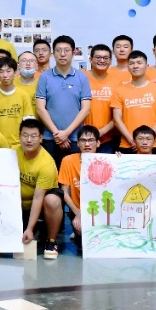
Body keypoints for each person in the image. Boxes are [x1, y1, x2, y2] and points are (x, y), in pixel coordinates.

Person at [35, 35, 92, 162]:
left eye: (66, 50)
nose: (62, 54)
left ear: (73, 53)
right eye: (58, 50)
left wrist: (66, 133)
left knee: (74, 173)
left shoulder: (82, 77)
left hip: (76, 139)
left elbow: (86, 109)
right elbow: (40, 108)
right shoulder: (45, 77)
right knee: (51, 173)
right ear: (53, 54)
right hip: (50, 138)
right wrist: (57, 134)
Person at [16, 119, 64, 259]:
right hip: (21, 205)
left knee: (52, 200)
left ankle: (51, 241)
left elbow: (38, 198)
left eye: (33, 136)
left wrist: (29, 228)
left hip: (40, 206)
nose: (29, 140)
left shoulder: (46, 164)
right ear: (19, 136)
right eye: (25, 135)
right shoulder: (14, 154)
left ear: (41, 138)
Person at [110, 51, 156, 153]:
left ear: (147, 66)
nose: (135, 66)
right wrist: (133, 141)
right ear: (128, 67)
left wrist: (147, 140)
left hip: (154, 144)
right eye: (131, 63)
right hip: (128, 144)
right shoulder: (119, 90)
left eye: (139, 63)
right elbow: (117, 119)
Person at [57, 125, 101, 254]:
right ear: (78, 143)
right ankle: (77, 234)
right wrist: (78, 213)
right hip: (77, 210)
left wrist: (119, 159)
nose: (87, 144)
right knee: (82, 235)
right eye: (83, 140)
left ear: (98, 143)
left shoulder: (107, 161)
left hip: (101, 211)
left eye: (91, 140)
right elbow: (64, 192)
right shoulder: (68, 161)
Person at [0, 58, 37, 147]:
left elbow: (28, 123)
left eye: (8, 71)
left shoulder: (23, 95)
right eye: (1, 71)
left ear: (15, 72)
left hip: (18, 144)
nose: (5, 75)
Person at [81, 44, 119, 152]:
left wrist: (101, 132)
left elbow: (119, 114)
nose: (102, 61)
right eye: (98, 57)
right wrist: (88, 132)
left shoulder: (117, 82)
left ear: (110, 61)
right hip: (82, 137)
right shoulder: (81, 78)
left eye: (105, 58)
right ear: (90, 59)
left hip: (107, 138)